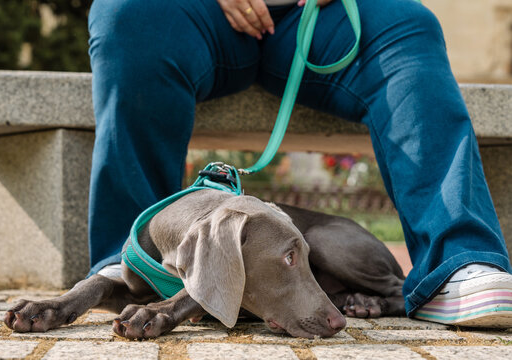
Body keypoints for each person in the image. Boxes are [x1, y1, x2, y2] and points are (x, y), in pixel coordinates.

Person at [86, 0, 512, 326]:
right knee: (126, 16)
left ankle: (459, 260)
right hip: (194, 13)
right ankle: (127, 265)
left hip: (317, 17)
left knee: (411, 26)